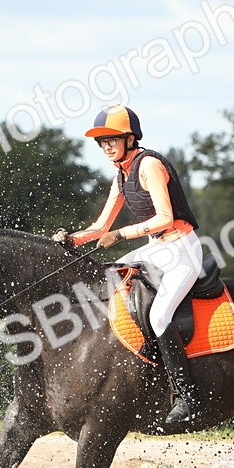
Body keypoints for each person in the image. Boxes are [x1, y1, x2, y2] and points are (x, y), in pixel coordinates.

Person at [55, 105, 205, 428]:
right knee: (108, 277)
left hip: (182, 249)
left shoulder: (148, 165)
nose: (106, 147)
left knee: (159, 314)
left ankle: (186, 395)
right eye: (102, 142)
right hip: (157, 249)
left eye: (112, 140)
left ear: (129, 137)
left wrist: (120, 234)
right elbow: (100, 226)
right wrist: (72, 240)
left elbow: (165, 218)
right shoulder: (121, 175)